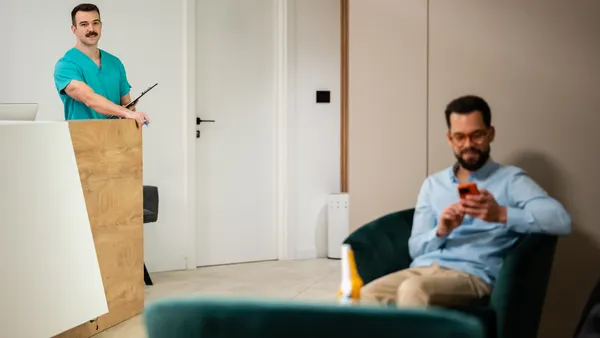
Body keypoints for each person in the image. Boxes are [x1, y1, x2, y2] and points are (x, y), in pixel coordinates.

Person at [360, 95, 572, 307]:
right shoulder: (434, 184)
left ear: (490, 134)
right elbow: (416, 248)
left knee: (413, 289)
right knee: (363, 296)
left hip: (472, 275)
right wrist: (441, 231)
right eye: (459, 137)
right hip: (422, 270)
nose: (468, 144)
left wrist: (500, 214)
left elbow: (561, 221)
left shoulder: (511, 180)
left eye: (476, 135)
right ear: (449, 139)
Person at [53, 3, 150, 127]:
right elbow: (89, 98)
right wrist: (125, 112)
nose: (91, 29)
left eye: (95, 23)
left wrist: (130, 112)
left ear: (101, 26)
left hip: (116, 140)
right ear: (74, 30)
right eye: (84, 24)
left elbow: (127, 106)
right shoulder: (66, 66)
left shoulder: (115, 63)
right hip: (82, 140)